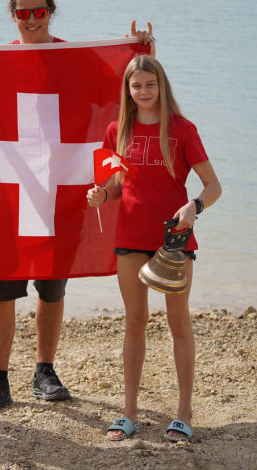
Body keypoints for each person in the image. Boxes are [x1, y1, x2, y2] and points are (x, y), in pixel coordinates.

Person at [0, 0, 154, 412]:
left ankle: (44, 371)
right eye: (22, 12)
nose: (31, 19)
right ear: (13, 16)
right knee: (0, 287)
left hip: (61, 191)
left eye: (39, 11)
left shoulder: (76, 60)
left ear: (51, 11)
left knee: (52, 284)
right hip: (7, 191)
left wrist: (141, 54)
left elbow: (125, 93)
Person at [87, 55, 221, 442]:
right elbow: (116, 185)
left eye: (150, 84)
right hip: (129, 237)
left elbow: (214, 186)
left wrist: (194, 206)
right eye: (137, 85)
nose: (144, 91)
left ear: (161, 86)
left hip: (174, 238)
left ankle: (184, 414)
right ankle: (128, 413)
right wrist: (101, 195)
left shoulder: (182, 129)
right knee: (135, 321)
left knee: (178, 322)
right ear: (127, 90)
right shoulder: (116, 130)